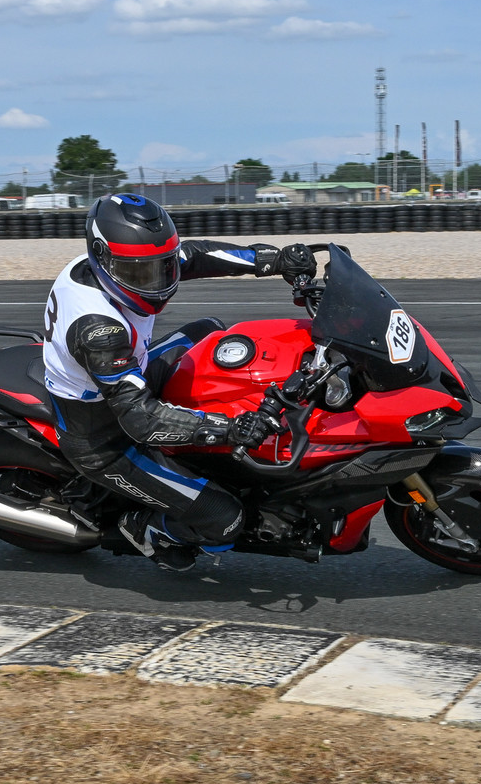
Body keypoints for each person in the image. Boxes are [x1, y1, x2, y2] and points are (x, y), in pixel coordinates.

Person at [42, 192, 316, 571]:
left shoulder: (119, 261)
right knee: (225, 519)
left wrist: (271, 259)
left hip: (127, 374)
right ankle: (144, 529)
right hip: (102, 434)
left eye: (163, 268)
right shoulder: (99, 330)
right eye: (142, 274)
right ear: (103, 259)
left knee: (211, 333)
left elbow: (196, 255)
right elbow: (140, 420)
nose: (156, 281)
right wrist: (229, 428)